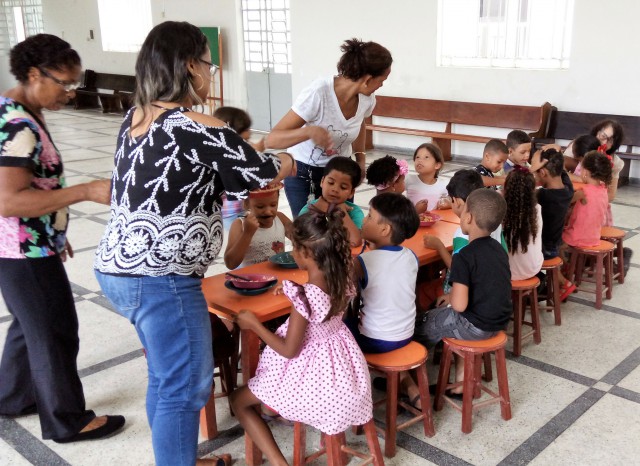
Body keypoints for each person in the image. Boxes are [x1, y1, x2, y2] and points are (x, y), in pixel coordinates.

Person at [93, 21, 295, 466]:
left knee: (166, 378)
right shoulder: (196, 125)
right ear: (189, 66)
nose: (210, 73)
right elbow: (260, 173)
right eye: (208, 64)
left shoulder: (136, 117)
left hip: (120, 268)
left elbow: (214, 174)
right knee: (184, 388)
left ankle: (178, 458)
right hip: (161, 277)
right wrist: (286, 159)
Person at [0, 34, 125, 443]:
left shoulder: (19, 110)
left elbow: (35, 186)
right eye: (64, 83)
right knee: (54, 330)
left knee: (29, 325)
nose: (70, 93)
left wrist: (54, 226)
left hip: (25, 242)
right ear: (35, 74)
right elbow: (9, 201)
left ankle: (13, 397)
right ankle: (67, 420)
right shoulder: (19, 125)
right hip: (21, 248)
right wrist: (85, 191)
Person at [230, 208, 372, 466]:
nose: (292, 252)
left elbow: (289, 350)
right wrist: (294, 292)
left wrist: (254, 325)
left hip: (312, 382)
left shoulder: (307, 296)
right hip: (343, 372)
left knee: (238, 401)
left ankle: (278, 463)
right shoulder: (343, 276)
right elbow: (320, 307)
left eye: (294, 247)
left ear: (306, 253)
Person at [265, 38, 393, 217]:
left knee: (341, 227)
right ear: (368, 79)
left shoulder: (367, 98)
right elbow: (272, 139)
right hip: (304, 174)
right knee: (309, 229)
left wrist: (360, 159)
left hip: (341, 173)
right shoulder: (318, 93)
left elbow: (360, 123)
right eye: (382, 80)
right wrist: (309, 131)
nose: (382, 85)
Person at [414, 189, 512, 398]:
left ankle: (410, 383)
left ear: (468, 218)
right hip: (498, 323)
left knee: (420, 324)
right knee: (440, 313)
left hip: (474, 327)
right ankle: (458, 381)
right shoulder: (499, 250)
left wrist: (452, 299)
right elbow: (487, 285)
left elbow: (459, 306)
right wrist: (452, 296)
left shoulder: (464, 255)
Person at [421, 169, 507, 310]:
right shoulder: (494, 224)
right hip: (490, 290)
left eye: (451, 199)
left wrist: (440, 247)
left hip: (464, 294)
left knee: (422, 291)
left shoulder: (462, 234)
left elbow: (458, 270)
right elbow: (505, 252)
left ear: (457, 202)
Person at [213, 106, 266, 230]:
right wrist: (256, 154)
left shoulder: (235, 152)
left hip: (240, 210)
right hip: (229, 214)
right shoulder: (223, 157)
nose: (250, 133)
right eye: (244, 140)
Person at [224, 183, 292, 269]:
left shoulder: (280, 219)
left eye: (273, 205)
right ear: (246, 204)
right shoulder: (240, 224)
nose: (268, 211)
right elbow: (230, 263)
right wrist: (247, 233)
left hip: (279, 274)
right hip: (252, 276)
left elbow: (301, 238)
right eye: (260, 207)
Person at [298, 157, 363, 246]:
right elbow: (299, 237)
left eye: (343, 187)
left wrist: (341, 211)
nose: (335, 189)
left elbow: (355, 242)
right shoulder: (309, 208)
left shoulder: (354, 212)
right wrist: (317, 209)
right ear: (322, 181)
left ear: (351, 192)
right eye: (331, 183)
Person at [502, 168, 543, 280]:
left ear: (506, 188)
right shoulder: (537, 209)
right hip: (532, 268)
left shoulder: (500, 209)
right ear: (532, 190)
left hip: (505, 271)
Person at [405, 142, 452, 213]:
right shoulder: (409, 179)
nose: (420, 160)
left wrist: (448, 203)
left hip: (436, 219)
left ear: (437, 165)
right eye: (417, 157)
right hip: (412, 218)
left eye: (426, 157)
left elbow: (454, 200)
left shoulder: (444, 184)